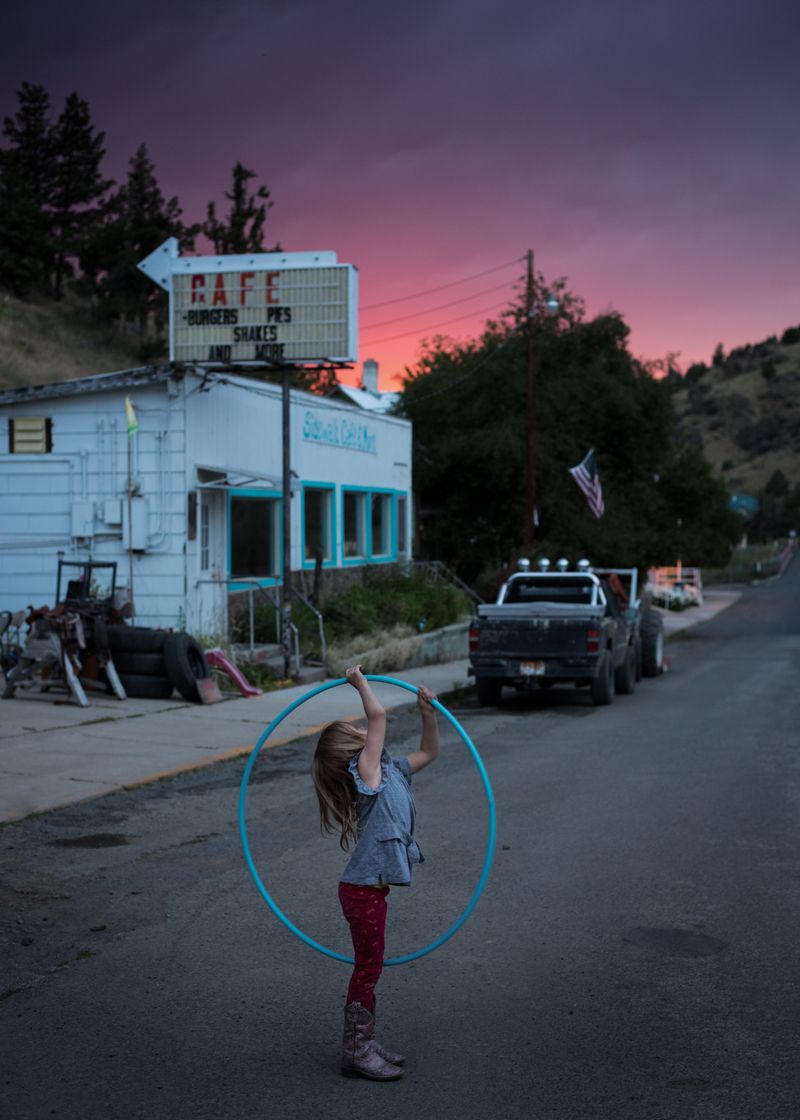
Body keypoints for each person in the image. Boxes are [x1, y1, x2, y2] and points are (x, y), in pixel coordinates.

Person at [311, 665, 440, 1081]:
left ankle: (363, 1042)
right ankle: (356, 1051)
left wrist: (427, 714)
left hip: (370, 891)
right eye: (356, 727)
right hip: (362, 891)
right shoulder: (365, 774)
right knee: (368, 967)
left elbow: (429, 753)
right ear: (352, 746)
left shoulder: (388, 771)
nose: (363, 726)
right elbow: (379, 717)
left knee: (372, 966)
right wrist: (360, 683)